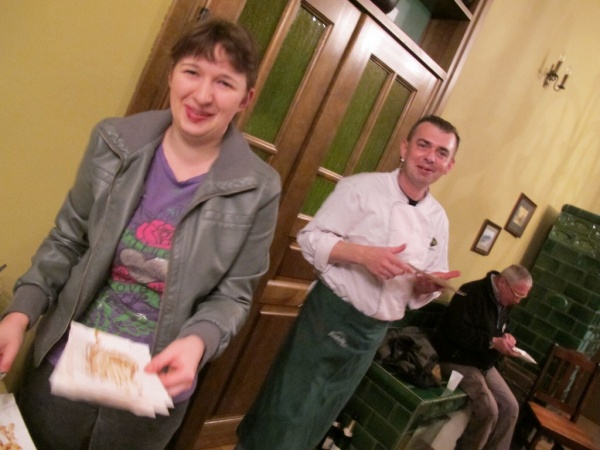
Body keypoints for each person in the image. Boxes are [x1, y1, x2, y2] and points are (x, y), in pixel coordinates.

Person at [0, 17, 280, 450]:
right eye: (192, 72)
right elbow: (67, 240)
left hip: (151, 393)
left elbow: (234, 295)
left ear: (246, 98)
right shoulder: (113, 141)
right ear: (171, 74)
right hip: (60, 370)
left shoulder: (258, 188)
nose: (202, 95)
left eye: (224, 82)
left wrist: (198, 341)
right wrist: (20, 314)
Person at [236, 115, 461, 450]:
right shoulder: (361, 188)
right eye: (423, 145)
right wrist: (363, 255)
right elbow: (310, 238)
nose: (430, 157)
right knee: (284, 411)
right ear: (405, 148)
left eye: (441, 152)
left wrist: (426, 288)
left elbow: (424, 281)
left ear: (449, 165)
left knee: (319, 417)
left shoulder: (438, 219)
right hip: (329, 317)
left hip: (373, 334)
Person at [432, 264, 533, 450]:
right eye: (517, 295)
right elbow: (455, 331)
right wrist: (492, 342)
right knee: (489, 410)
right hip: (457, 359)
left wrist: (506, 339)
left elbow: (498, 330)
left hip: (483, 363)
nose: (518, 301)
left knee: (511, 407)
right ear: (502, 282)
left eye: (522, 297)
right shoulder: (471, 293)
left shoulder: (504, 302)